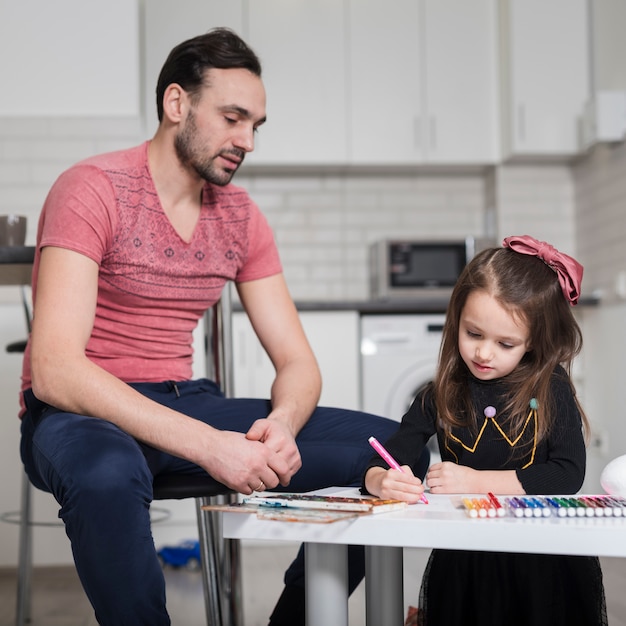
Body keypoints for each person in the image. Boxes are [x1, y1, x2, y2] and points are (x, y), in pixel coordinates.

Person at [18, 28, 424, 626]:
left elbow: (298, 364)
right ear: (176, 103)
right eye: (233, 118)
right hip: (81, 417)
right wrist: (212, 447)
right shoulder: (93, 189)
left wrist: (281, 427)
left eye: (256, 125)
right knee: (109, 472)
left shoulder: (240, 217)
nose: (247, 141)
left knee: (395, 449)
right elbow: (54, 370)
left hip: (183, 404)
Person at [363, 235, 607, 626]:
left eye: (505, 343)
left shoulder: (551, 388)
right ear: (456, 319)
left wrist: (475, 482)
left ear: (532, 342)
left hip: (542, 560)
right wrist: (379, 480)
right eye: (473, 334)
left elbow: (567, 473)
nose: (483, 353)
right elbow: (390, 453)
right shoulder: (439, 393)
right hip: (466, 558)